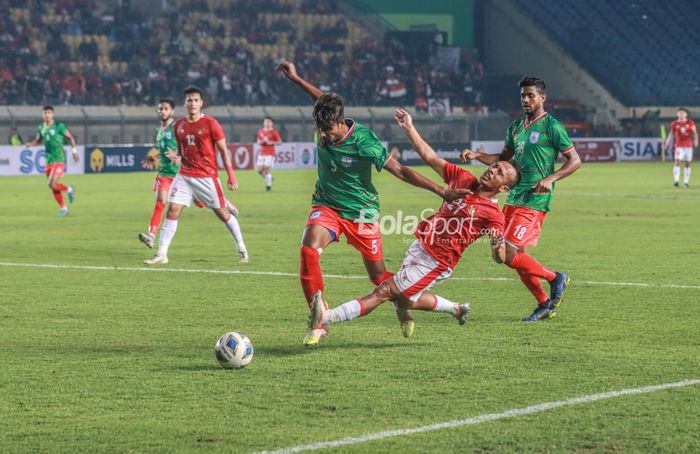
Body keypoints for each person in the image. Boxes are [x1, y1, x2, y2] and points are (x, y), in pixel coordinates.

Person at [276, 60, 469, 347]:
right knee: (308, 250)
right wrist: (295, 78)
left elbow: (401, 171)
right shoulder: (327, 113)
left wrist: (441, 191)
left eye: (327, 130)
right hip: (327, 205)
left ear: (341, 122)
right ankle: (318, 321)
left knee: (379, 277)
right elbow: (319, 97)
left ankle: (409, 304)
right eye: (319, 130)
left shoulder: (365, 142)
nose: (323, 136)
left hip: (362, 212)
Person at [307, 109, 520, 343]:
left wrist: (498, 250)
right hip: (420, 246)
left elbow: (499, 255)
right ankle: (457, 308)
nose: (492, 169)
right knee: (404, 300)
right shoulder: (464, 179)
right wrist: (409, 127)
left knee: (385, 291)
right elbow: (430, 157)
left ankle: (326, 317)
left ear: (504, 189)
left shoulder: (494, 215)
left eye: (500, 172)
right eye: (495, 166)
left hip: (436, 262)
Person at [461, 77, 581, 322]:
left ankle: (556, 278)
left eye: (531, 96)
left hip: (534, 200)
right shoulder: (516, 127)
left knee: (510, 253)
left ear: (542, 98)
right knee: (517, 260)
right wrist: (476, 155)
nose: (526, 100)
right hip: (513, 197)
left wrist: (551, 179)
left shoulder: (552, 127)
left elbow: (575, 161)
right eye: (523, 96)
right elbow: (501, 160)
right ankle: (544, 304)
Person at [144, 86, 248, 265]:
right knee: (172, 210)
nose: (192, 103)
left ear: (201, 103)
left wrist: (231, 176)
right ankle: (162, 254)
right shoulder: (179, 126)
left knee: (223, 214)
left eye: (195, 100)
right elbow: (182, 151)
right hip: (184, 175)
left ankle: (241, 246)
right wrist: (176, 158)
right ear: (185, 103)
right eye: (189, 100)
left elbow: (223, 150)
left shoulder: (211, 124)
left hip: (206, 176)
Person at [24, 105, 79, 216]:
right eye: (45, 113)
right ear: (42, 115)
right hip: (49, 160)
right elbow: (38, 140)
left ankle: (69, 189)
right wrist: (31, 144)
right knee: (52, 186)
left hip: (59, 159)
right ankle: (64, 208)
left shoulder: (59, 126)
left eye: (49, 113)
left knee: (52, 184)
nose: (47, 115)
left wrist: (74, 151)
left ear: (53, 114)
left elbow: (70, 138)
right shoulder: (41, 127)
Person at [665, 107, 697, 188]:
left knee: (687, 163)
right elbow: (671, 134)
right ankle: (676, 181)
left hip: (688, 146)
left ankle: (686, 182)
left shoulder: (690, 123)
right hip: (679, 146)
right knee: (677, 161)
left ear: (686, 114)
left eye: (682, 113)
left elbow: (695, 133)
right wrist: (667, 142)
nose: (681, 114)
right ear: (677, 114)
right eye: (679, 113)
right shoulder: (674, 124)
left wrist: (696, 140)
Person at [256, 116, 282, 191]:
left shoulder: (274, 132)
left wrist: (271, 142)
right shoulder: (261, 131)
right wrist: (261, 142)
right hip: (262, 153)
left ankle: (268, 186)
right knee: (259, 171)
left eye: (268, 122)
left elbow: (279, 142)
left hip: (270, 154)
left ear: (272, 123)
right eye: (265, 122)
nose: (267, 123)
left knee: (267, 169)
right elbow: (258, 141)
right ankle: (269, 178)